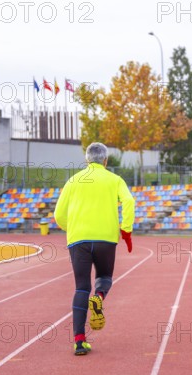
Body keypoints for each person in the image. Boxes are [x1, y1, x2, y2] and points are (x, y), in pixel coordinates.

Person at [54, 142, 135, 355]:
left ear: (86, 160)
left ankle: (79, 341)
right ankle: (98, 297)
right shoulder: (115, 179)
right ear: (105, 161)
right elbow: (129, 202)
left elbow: (58, 215)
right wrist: (125, 229)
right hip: (105, 239)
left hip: (78, 239)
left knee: (81, 288)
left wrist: (72, 228)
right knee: (105, 277)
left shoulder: (73, 181)